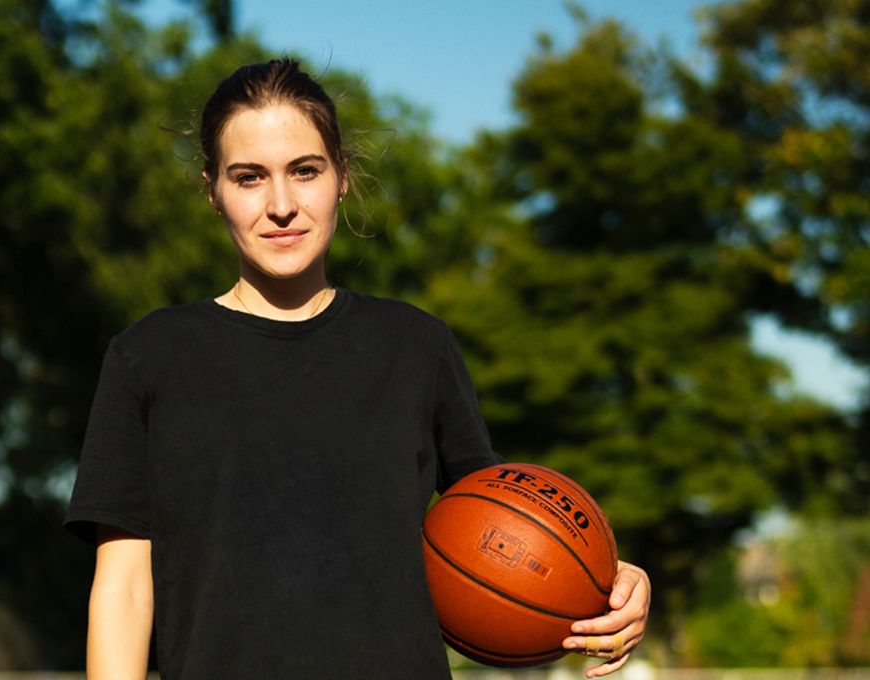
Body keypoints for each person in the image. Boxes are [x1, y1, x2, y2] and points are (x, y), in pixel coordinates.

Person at [65, 58, 651, 680]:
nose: (282, 204)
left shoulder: (417, 346)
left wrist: (609, 581)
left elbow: (500, 535)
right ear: (212, 190)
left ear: (342, 176)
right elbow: (124, 587)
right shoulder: (149, 356)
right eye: (249, 177)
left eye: (305, 171)